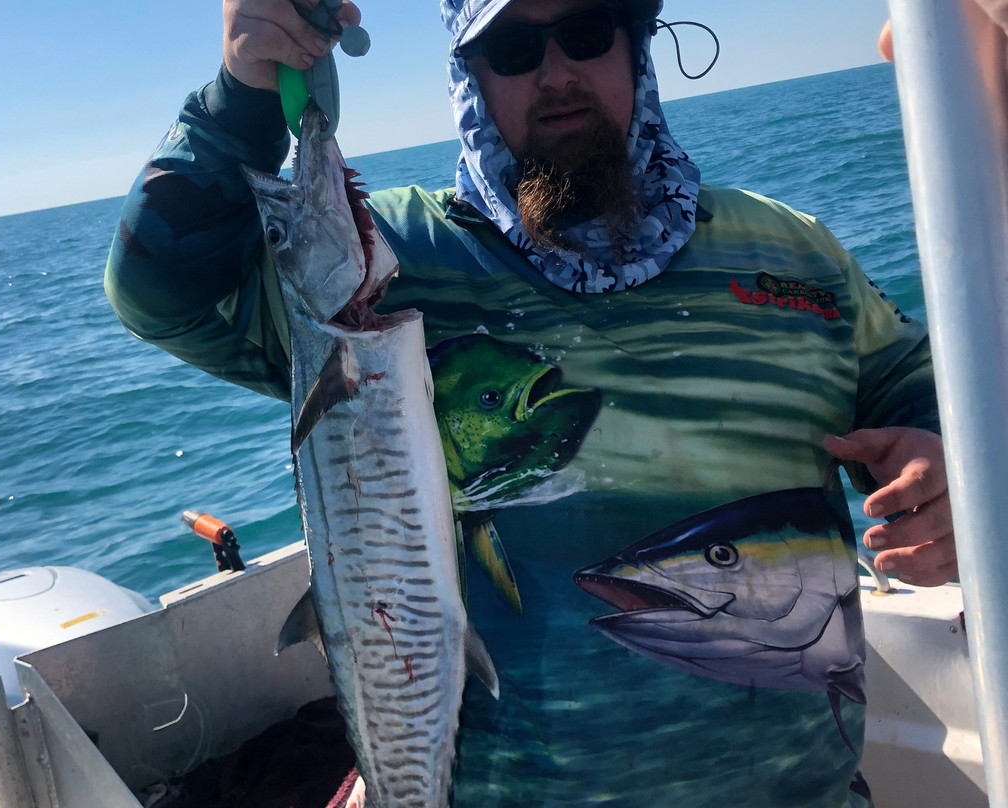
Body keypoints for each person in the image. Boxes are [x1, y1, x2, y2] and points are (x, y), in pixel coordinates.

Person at [105, 0, 957, 804]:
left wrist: (942, 457)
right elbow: (161, 291)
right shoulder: (387, 266)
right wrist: (242, 95)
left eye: (586, 30)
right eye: (512, 48)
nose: (555, 72)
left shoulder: (791, 250)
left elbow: (917, 378)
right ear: (471, 75)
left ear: (635, 42)